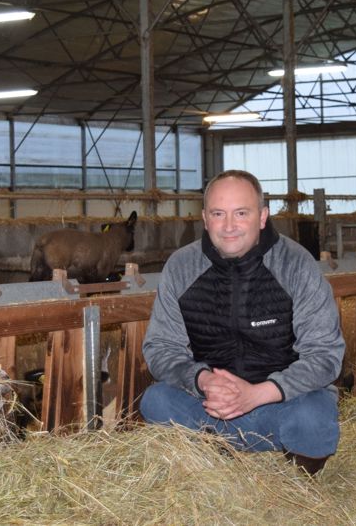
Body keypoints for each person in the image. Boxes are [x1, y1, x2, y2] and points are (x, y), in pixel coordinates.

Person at [140, 169, 345, 475]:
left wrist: (257, 394)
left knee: (314, 418)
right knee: (155, 401)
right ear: (205, 218)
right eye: (219, 214)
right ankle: (216, 451)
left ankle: (296, 472)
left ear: (262, 217)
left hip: (279, 403)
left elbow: (326, 355)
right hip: (210, 405)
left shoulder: (295, 263)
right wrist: (203, 380)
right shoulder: (182, 266)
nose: (229, 226)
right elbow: (160, 347)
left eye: (241, 213)